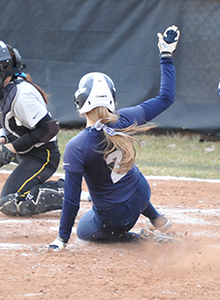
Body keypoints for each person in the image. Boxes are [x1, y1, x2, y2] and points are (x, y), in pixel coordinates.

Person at [49, 25, 180, 250]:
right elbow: (166, 97)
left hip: (115, 217)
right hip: (141, 195)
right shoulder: (126, 119)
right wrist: (166, 55)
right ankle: (158, 220)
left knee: (84, 229)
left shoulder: (77, 146)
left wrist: (61, 239)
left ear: (80, 104)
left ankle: (142, 239)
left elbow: (71, 199)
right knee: (127, 185)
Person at [0, 41, 64, 216]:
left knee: (10, 201)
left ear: (4, 69)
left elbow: (49, 128)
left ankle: (66, 191)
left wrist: (12, 147)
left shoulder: (22, 95)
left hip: (42, 155)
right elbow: (7, 122)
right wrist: (3, 139)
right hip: (25, 152)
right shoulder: (5, 91)